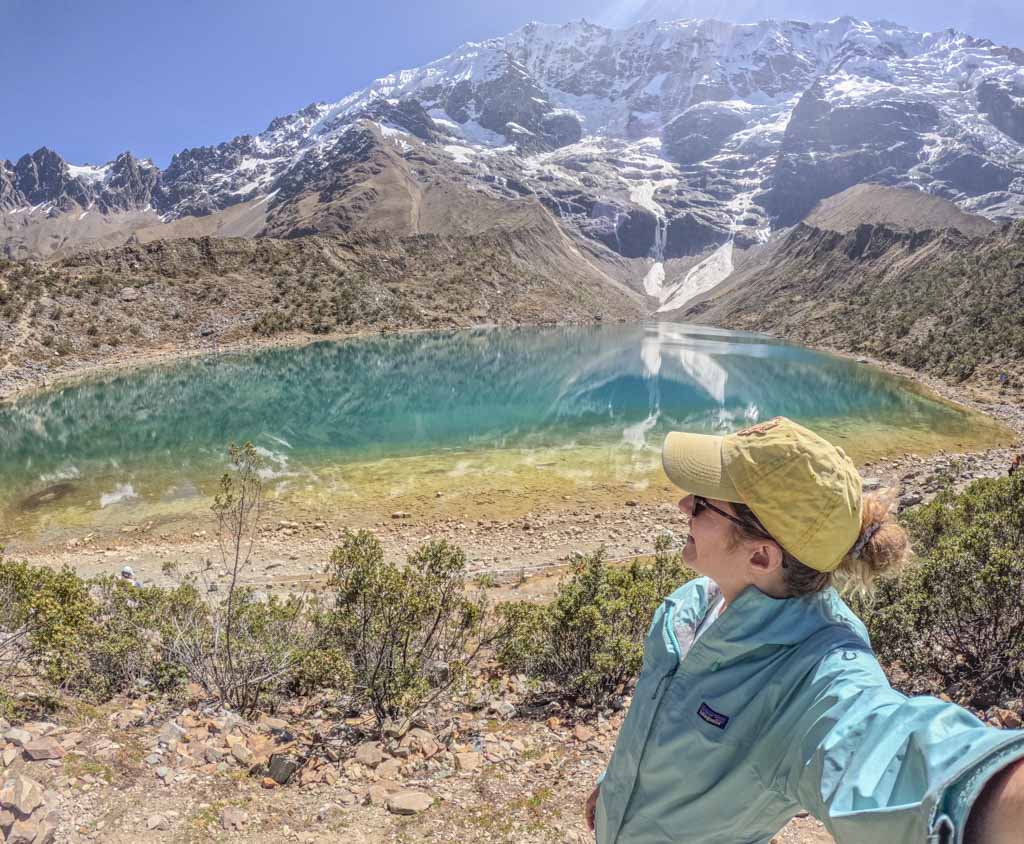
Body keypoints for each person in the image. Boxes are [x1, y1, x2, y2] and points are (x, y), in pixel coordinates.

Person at [585, 417, 1024, 843]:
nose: (684, 505)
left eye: (702, 503)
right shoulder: (693, 603)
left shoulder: (815, 678)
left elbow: (886, 754)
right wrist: (615, 789)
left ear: (761, 557)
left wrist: (988, 799)